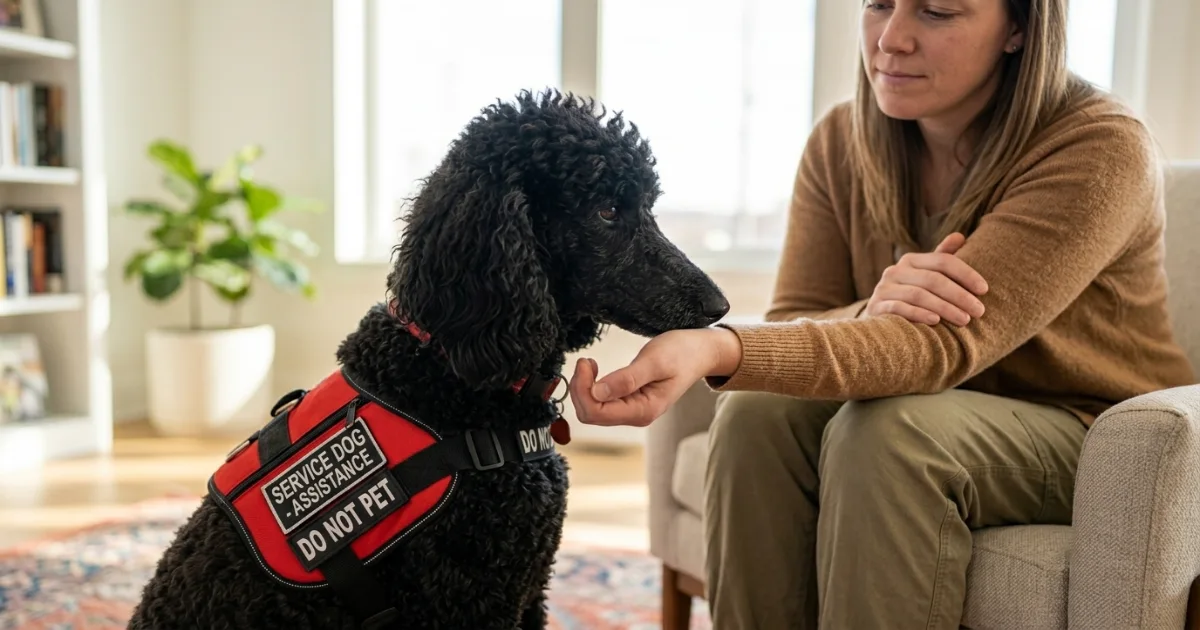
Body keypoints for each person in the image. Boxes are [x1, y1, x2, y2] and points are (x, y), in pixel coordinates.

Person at [567, 0, 1197, 628]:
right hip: (938, 400)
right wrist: (873, 306)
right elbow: (799, 318)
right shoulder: (841, 141)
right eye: (879, 5)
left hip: (1091, 428)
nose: (891, 39)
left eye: (937, 12)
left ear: (1019, 28)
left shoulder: (1099, 145)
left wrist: (715, 347)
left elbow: (940, 345)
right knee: (755, 413)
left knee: (893, 437)